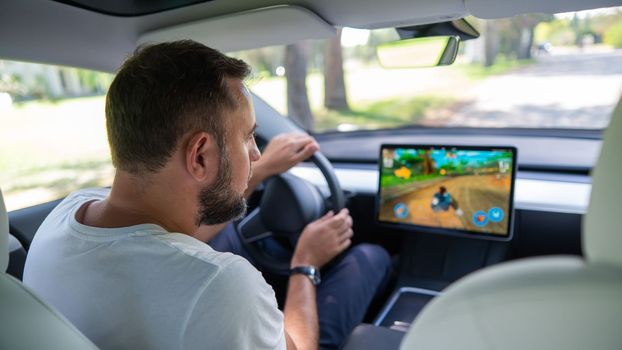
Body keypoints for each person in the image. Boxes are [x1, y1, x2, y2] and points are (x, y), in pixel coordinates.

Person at [23, 40, 390, 350]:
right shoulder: (221, 286)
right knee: (371, 257)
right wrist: (305, 263)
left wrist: (257, 173)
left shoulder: (65, 215)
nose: (257, 153)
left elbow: (162, 239)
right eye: (248, 137)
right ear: (200, 155)